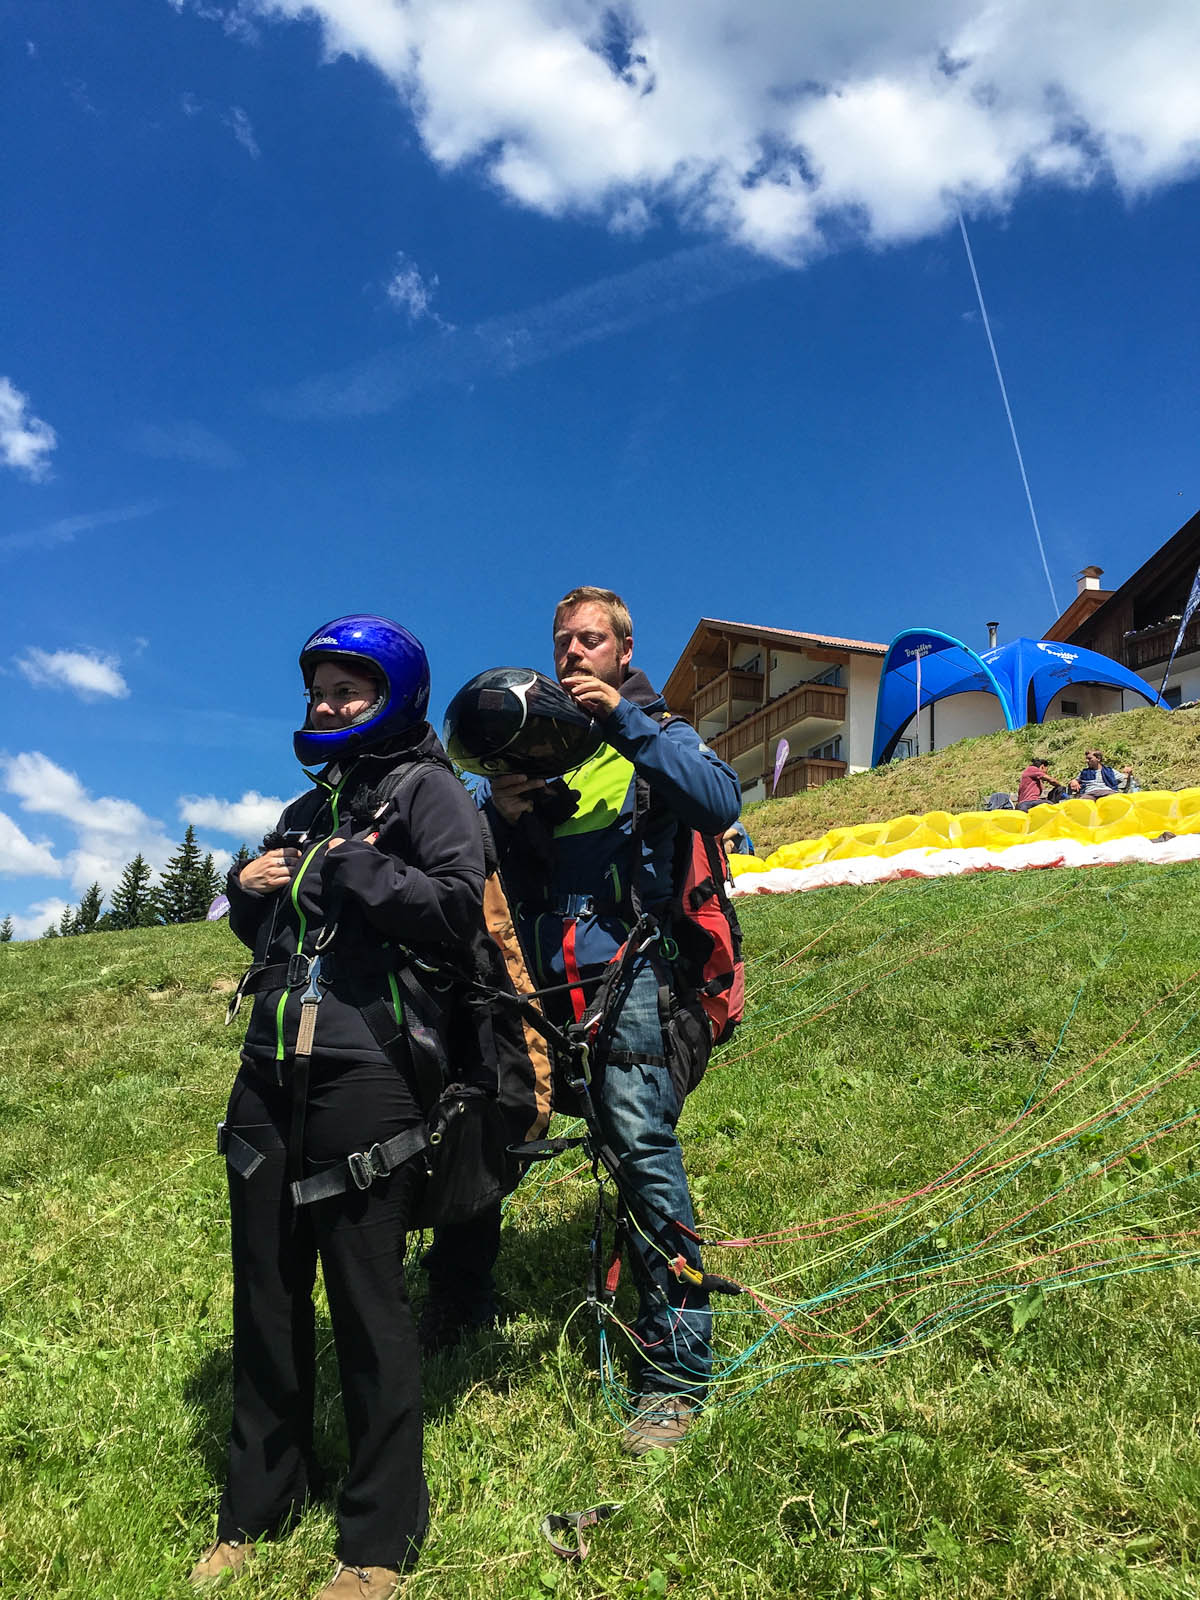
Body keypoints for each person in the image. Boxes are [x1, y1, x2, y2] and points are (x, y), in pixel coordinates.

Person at [190, 615, 485, 1600]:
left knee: (367, 1303)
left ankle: (378, 1540)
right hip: (268, 1069)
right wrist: (246, 891)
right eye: (317, 689)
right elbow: (281, 935)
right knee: (265, 1295)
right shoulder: (303, 809)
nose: (325, 703)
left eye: (345, 690)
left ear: (392, 697)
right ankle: (256, 1507)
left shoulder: (431, 790)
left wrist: (360, 867)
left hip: (371, 1070)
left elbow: (459, 909)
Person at [425, 586, 740, 1457]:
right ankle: (456, 1304)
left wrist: (623, 724)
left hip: (629, 983)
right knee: (478, 1121)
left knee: (639, 1148)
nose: (572, 653)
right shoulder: (533, 748)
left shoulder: (655, 730)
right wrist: (503, 817)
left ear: (625, 653)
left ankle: (675, 1374)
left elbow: (719, 800)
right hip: (529, 987)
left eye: (591, 640)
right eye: (563, 640)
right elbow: (485, 880)